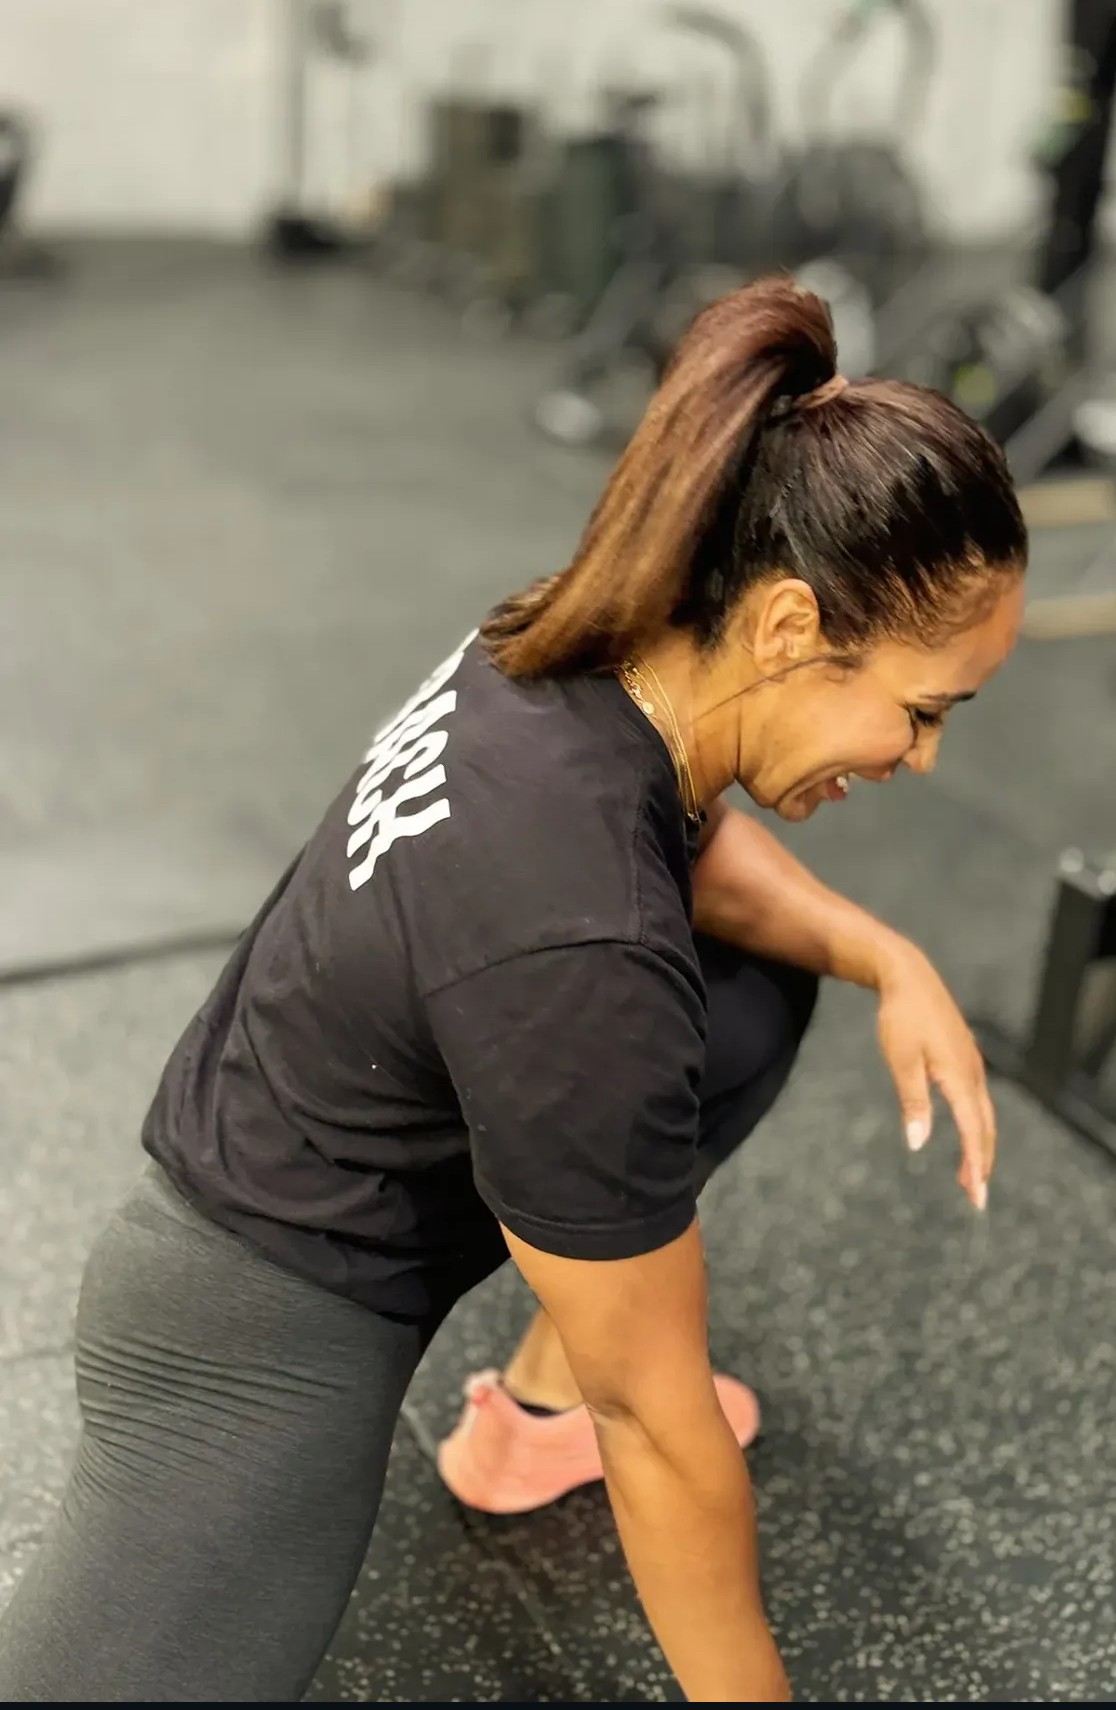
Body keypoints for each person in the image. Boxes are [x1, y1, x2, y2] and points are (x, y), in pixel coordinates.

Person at [0, 277, 1026, 1705]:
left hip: (324, 1168)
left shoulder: (595, 639)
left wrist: (887, 958)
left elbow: (696, 854)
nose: (921, 759)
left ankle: (535, 1410)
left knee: (752, 984)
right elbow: (658, 1427)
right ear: (791, 626)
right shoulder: (580, 943)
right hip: (252, 1331)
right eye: (920, 713)